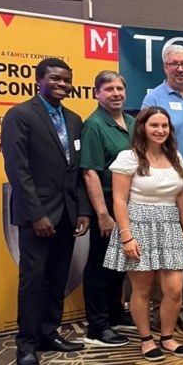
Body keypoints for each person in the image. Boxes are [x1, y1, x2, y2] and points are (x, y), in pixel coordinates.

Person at [1, 58, 90, 365]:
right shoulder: (20, 115)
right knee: (33, 280)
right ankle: (26, 343)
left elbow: (76, 171)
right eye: (55, 79)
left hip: (67, 213)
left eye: (67, 80)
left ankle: (49, 333)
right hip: (37, 214)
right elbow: (17, 168)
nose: (62, 84)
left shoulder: (75, 119)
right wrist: (36, 214)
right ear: (39, 80)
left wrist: (82, 210)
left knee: (56, 277)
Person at [104, 107, 183, 361]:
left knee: (175, 289)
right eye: (154, 125)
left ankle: (167, 337)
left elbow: (181, 194)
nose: (160, 130)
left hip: (169, 225)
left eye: (164, 126)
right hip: (138, 224)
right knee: (142, 289)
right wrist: (126, 236)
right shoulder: (128, 157)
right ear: (142, 127)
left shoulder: (175, 156)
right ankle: (146, 339)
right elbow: (120, 200)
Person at [141, 45, 183, 315]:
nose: (180, 68)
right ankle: (162, 305)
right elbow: (146, 137)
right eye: (174, 64)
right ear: (164, 67)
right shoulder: (153, 98)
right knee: (163, 245)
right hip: (165, 183)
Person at [79, 70, 136, 347]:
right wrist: (102, 215)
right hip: (106, 206)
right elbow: (90, 172)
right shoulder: (94, 125)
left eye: (119, 89)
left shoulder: (131, 122)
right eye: (109, 89)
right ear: (96, 93)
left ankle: (115, 313)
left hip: (127, 204)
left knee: (119, 264)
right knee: (101, 266)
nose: (116, 94)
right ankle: (97, 327)